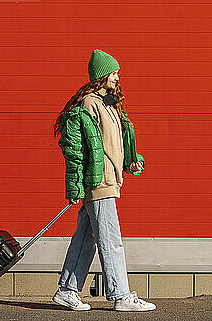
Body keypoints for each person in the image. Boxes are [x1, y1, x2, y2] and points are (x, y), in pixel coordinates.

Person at [51, 49, 155, 311]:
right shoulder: (89, 105)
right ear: (102, 75)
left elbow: (111, 145)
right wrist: (76, 185)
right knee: (110, 240)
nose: (118, 77)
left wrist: (129, 162)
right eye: (114, 72)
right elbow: (77, 149)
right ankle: (121, 295)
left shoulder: (107, 103)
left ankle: (67, 290)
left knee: (86, 239)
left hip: (108, 178)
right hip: (98, 182)